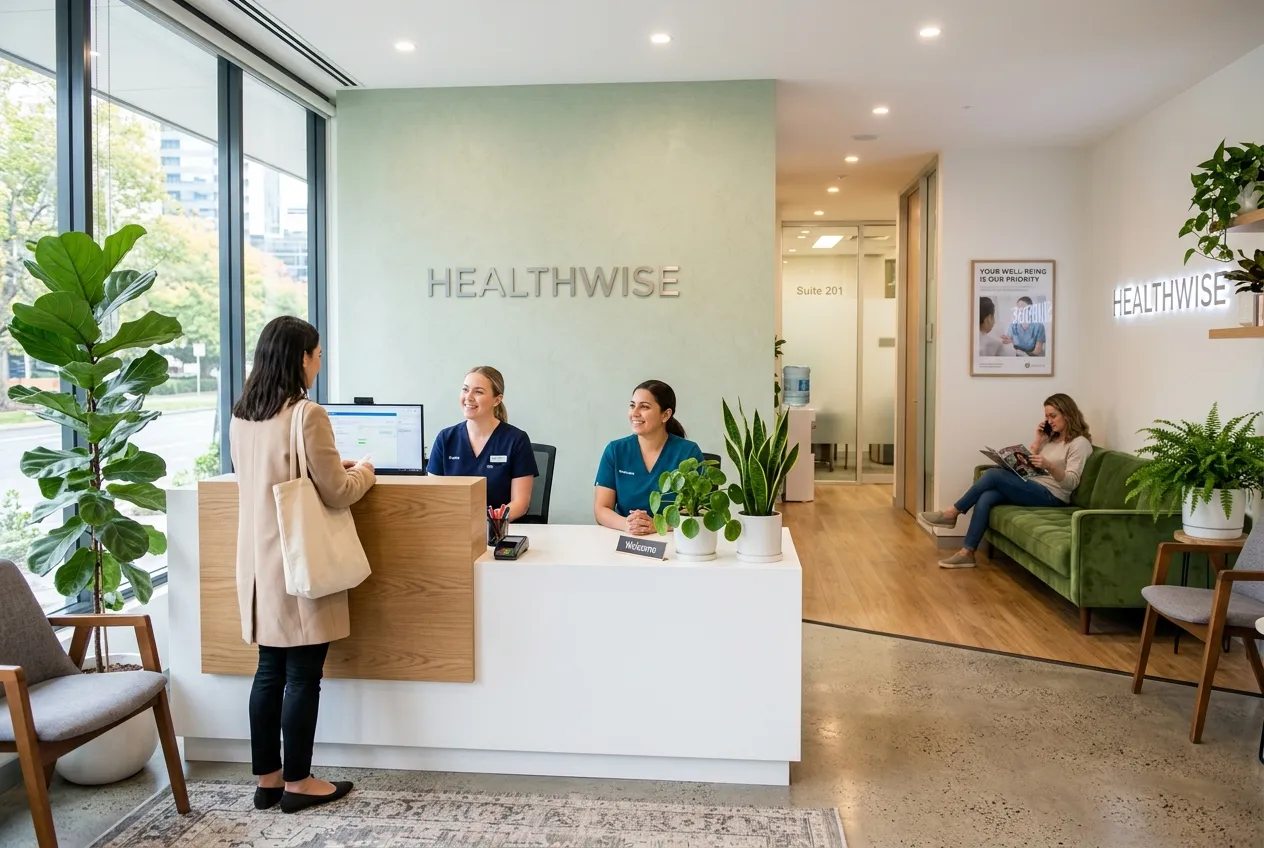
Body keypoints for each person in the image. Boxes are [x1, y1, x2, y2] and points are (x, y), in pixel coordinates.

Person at [230, 316, 376, 814]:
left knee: (268, 669)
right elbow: (336, 490)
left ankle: (267, 780)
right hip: (298, 559)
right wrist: (366, 475)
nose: (318, 363)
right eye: (316, 354)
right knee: (303, 676)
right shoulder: (306, 415)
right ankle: (299, 782)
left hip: (257, 562)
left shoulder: (242, 415)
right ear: (301, 359)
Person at [920, 393, 1092, 568]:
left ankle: (952, 513)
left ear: (1067, 413)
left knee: (993, 475)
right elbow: (1034, 467)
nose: (1049, 421)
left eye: (1053, 416)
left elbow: (1071, 482)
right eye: (1047, 416)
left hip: (1054, 496)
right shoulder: (1052, 438)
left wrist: (1050, 466)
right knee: (987, 496)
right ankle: (967, 553)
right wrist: (1037, 442)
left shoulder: (1079, 443)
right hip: (1035, 486)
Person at [594, 380, 704, 536]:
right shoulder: (615, 450)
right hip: (626, 537)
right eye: (632, 405)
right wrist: (628, 525)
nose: (635, 413)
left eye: (644, 407)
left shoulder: (688, 452)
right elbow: (601, 509)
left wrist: (658, 525)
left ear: (665, 415)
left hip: (672, 539)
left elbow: (699, 508)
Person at [426, 366, 538, 519]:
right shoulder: (446, 438)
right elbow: (433, 496)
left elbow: (520, 503)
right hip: (453, 526)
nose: (469, 397)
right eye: (465, 389)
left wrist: (492, 521)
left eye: (478, 392)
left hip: (498, 530)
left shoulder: (516, 440)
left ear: (497, 400)